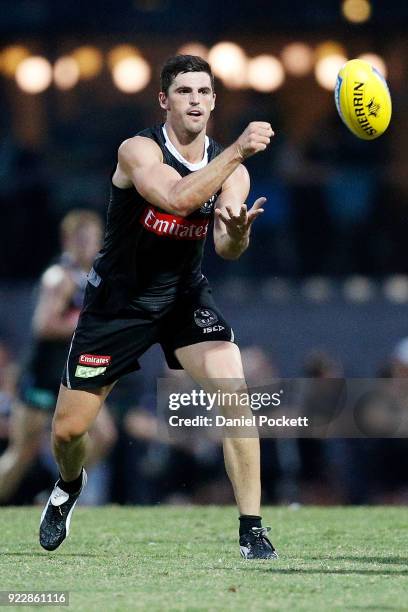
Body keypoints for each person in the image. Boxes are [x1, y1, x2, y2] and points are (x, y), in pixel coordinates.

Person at [39, 55, 277, 559]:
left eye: (204, 92)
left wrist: (236, 233)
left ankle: (252, 529)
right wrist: (236, 150)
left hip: (181, 297)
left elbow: (229, 245)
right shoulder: (139, 150)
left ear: (214, 101)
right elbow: (176, 199)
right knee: (68, 431)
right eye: (185, 91)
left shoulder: (231, 168)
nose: (196, 100)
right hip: (118, 303)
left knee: (236, 395)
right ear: (164, 101)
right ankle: (68, 485)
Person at [0, 210, 116, 504]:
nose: (89, 246)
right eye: (82, 240)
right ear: (68, 241)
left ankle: (60, 492)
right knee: (22, 452)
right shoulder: (58, 277)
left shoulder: (92, 278)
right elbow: (44, 324)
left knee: (104, 435)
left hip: (73, 374)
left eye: (93, 240)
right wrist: (86, 324)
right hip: (43, 374)